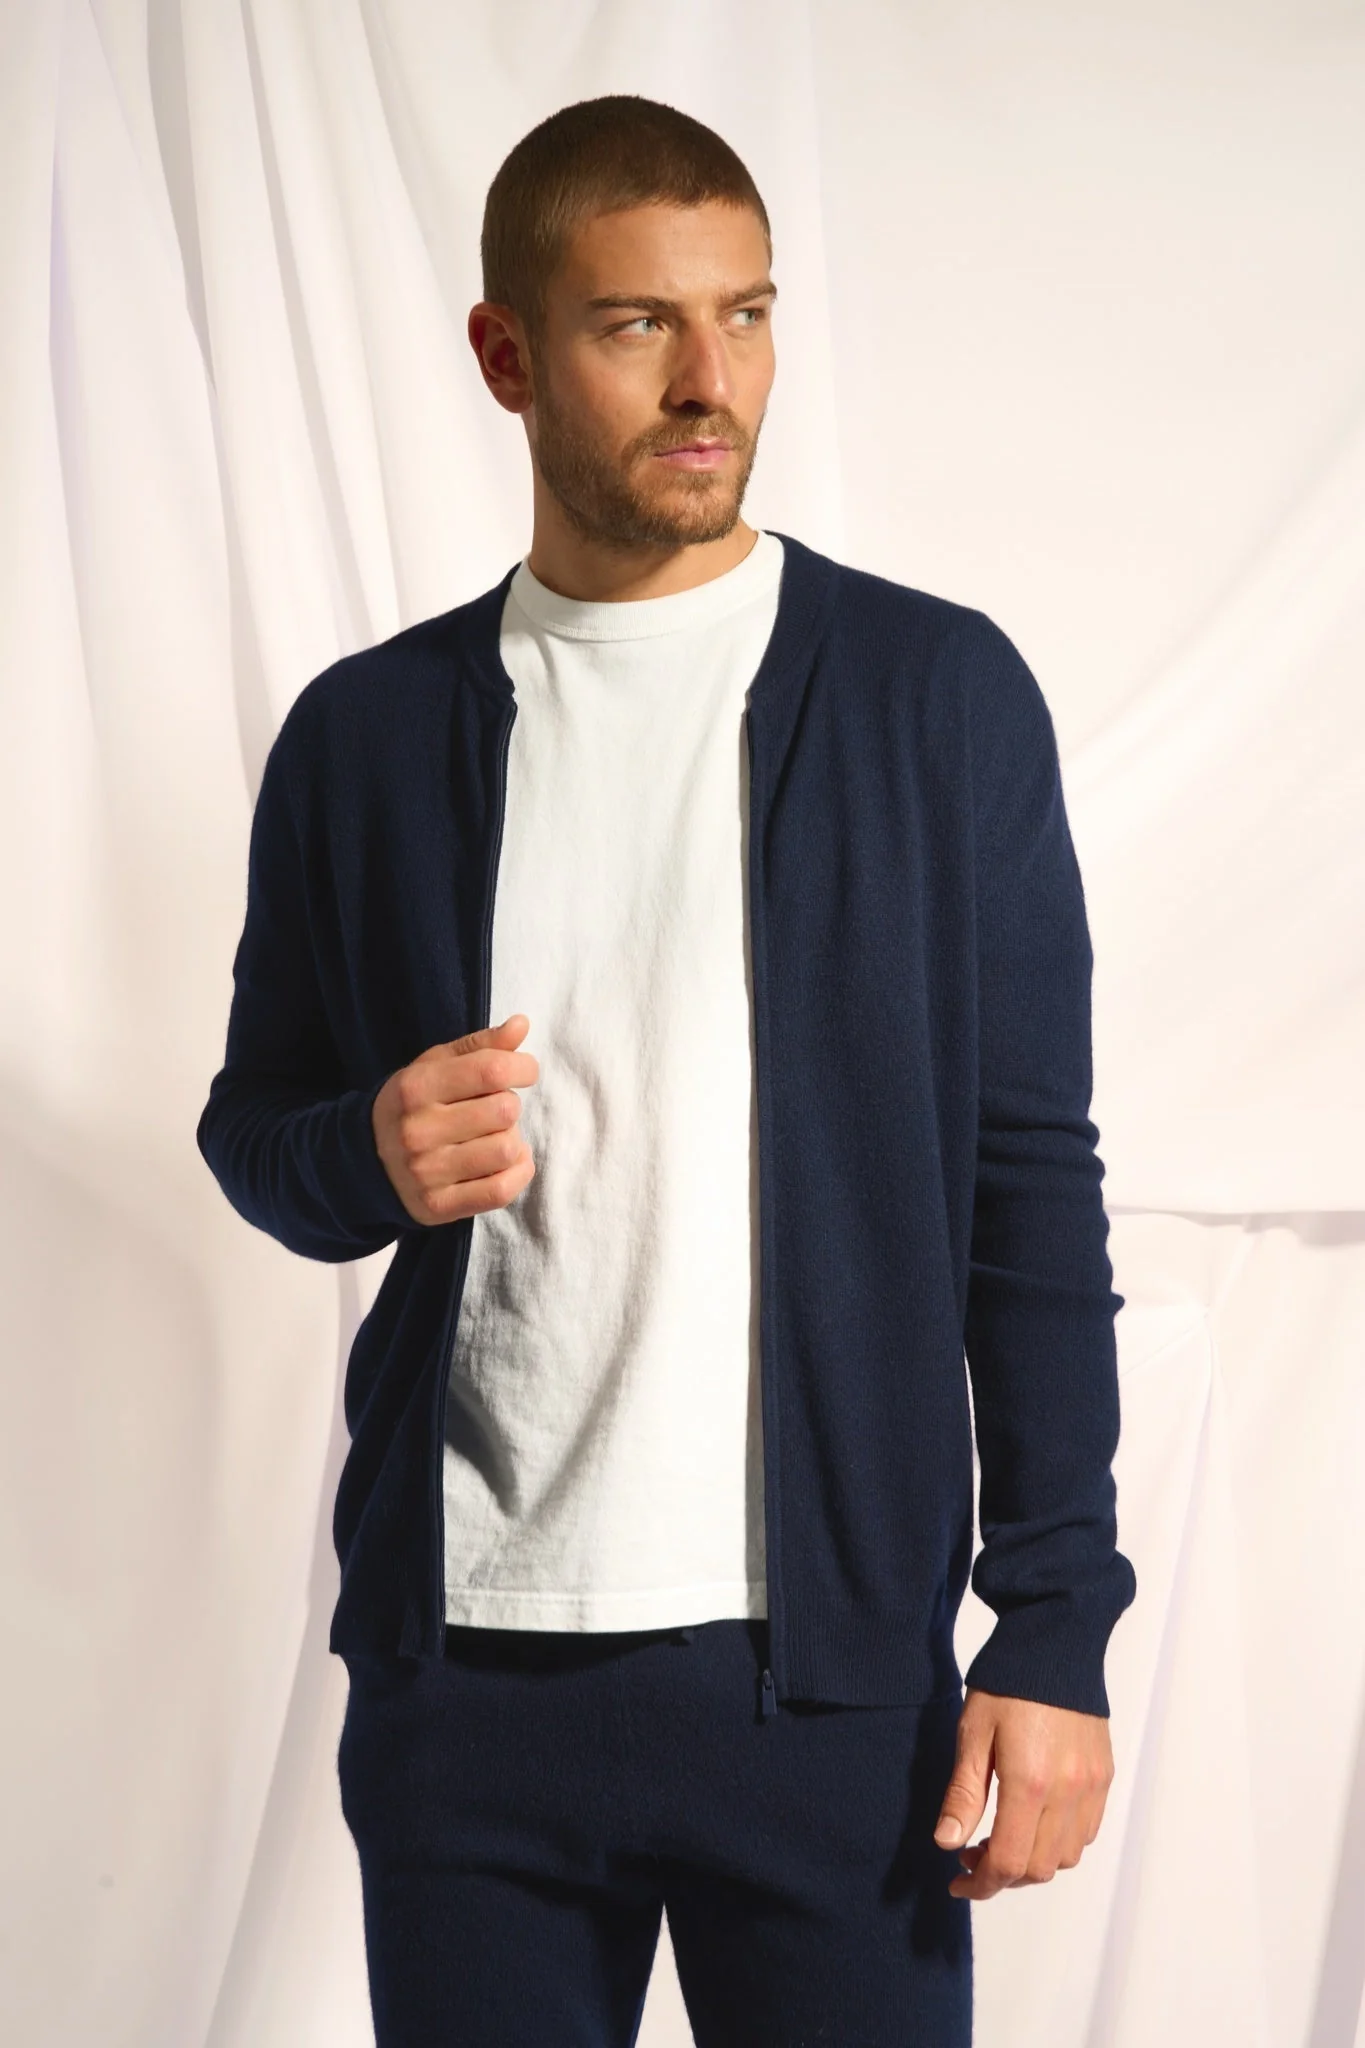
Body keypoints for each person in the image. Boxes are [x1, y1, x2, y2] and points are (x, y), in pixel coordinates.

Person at [197, 91, 1137, 2048]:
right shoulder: (367, 739)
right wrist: (367, 1148)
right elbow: (256, 1129)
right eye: (639, 325)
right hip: (467, 1695)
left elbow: (1028, 1190)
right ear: (507, 355)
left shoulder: (934, 700)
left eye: (748, 315)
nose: (712, 382)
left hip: (834, 1698)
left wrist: (1053, 1625)